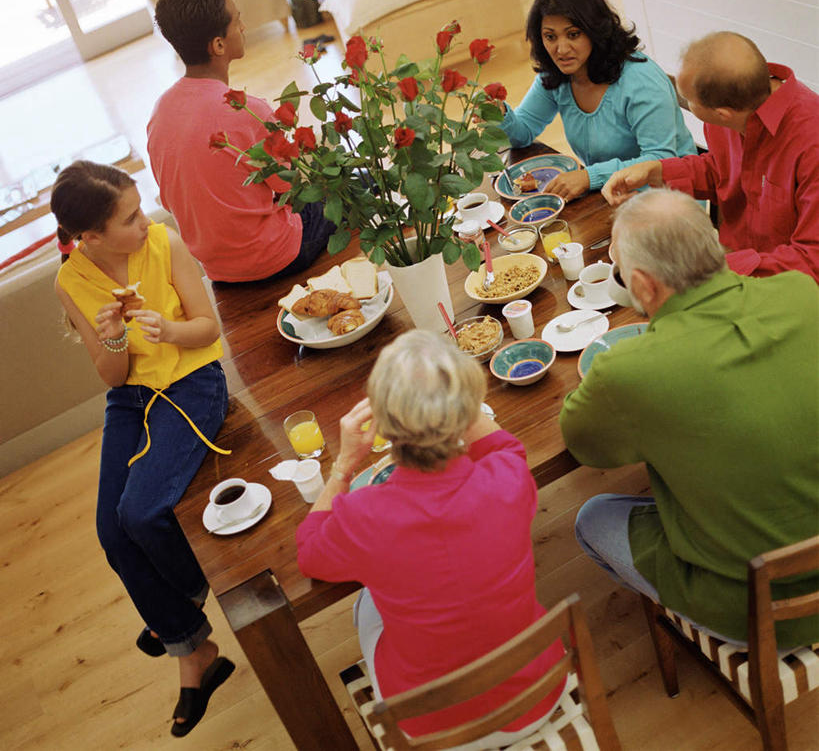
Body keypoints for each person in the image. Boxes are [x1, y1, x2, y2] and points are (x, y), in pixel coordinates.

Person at [560, 189, 819, 647]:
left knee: (592, 517)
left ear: (642, 286)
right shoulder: (801, 292)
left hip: (756, 611)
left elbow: (582, 443)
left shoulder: (628, 371)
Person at [296, 330, 566, 746]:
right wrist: (457, 401)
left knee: (367, 603)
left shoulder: (362, 514)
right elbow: (503, 445)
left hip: (437, 728)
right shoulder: (508, 477)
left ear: (382, 425)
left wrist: (344, 465)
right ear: (467, 409)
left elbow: (309, 552)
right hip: (537, 695)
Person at [50, 161, 234, 737]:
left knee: (140, 514)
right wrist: (113, 340)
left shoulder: (163, 242)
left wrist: (167, 330)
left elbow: (208, 329)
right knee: (111, 532)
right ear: (91, 236)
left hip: (192, 381)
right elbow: (112, 376)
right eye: (129, 218)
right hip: (131, 397)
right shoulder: (70, 281)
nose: (145, 221)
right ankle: (196, 651)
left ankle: (180, 609)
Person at [148, 0, 334, 284]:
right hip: (279, 255)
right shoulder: (247, 111)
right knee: (354, 183)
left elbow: (170, 199)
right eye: (237, 21)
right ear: (218, 44)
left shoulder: (159, 113)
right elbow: (288, 185)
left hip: (219, 271)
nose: (244, 28)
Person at [602, 31, 819, 282]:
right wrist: (656, 171)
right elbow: (721, 171)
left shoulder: (811, 143)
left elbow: (811, 260)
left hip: (788, 285)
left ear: (722, 113)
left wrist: (701, 268)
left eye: (687, 100)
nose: (684, 102)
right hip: (734, 262)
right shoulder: (738, 103)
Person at [500, 0, 697, 201]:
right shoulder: (556, 74)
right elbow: (522, 133)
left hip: (670, 200)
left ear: (595, 30)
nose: (561, 49)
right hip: (610, 195)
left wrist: (589, 177)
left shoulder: (640, 81)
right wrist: (500, 113)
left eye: (573, 34)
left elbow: (660, 159)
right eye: (550, 37)